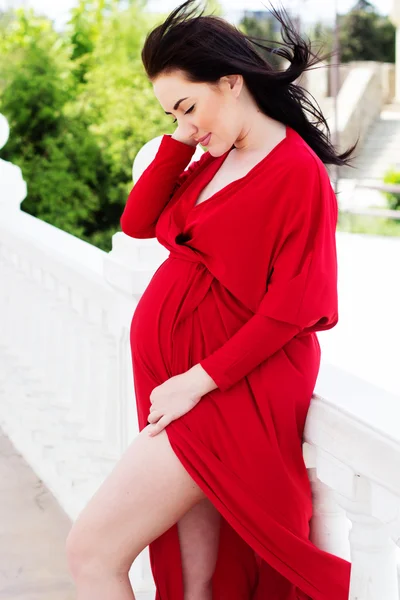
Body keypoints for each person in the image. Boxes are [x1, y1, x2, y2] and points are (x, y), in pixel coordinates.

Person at [66, 1, 356, 599]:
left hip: (226, 391)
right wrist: (183, 133)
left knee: (92, 553)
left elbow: (294, 308)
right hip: (182, 384)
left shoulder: (296, 173)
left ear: (232, 81)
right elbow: (140, 220)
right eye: (172, 114)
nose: (187, 126)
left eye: (189, 106)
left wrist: (198, 380)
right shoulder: (211, 155)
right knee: (196, 582)